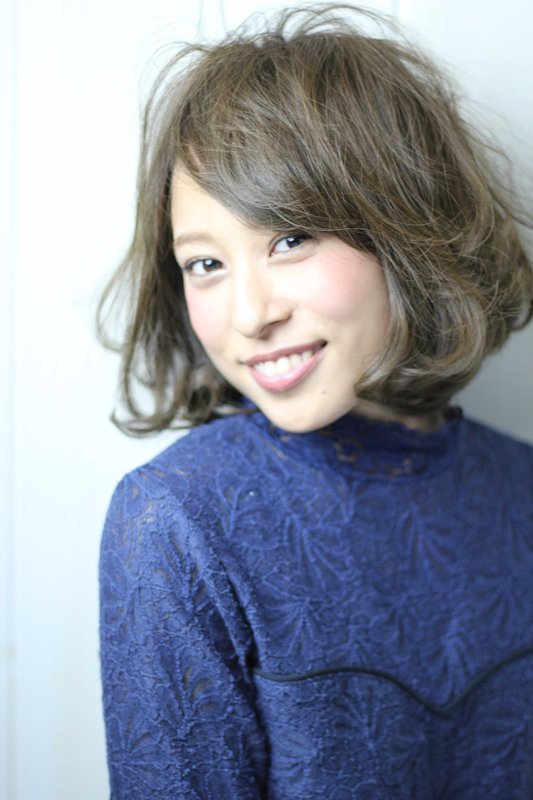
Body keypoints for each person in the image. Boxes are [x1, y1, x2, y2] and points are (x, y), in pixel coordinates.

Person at [97, 5, 533, 798]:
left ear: (410, 229)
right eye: (204, 264)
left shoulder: (521, 489)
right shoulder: (179, 520)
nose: (249, 314)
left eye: (289, 239)